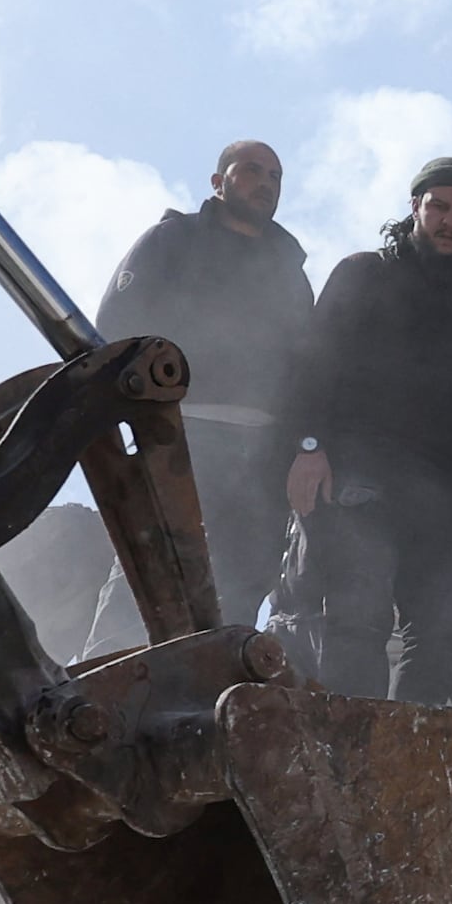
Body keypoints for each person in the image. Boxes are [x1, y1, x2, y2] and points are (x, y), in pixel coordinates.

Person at [286, 155, 452, 708]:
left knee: (439, 637)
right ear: (416, 206)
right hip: (356, 472)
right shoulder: (363, 274)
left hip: (437, 494)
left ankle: (403, 775)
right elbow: (312, 368)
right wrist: (310, 448)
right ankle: (345, 759)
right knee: (356, 619)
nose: (449, 221)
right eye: (439, 206)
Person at [87, 140, 315, 638]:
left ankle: (200, 704)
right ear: (219, 182)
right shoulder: (171, 240)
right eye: (252, 171)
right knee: (147, 567)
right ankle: (101, 685)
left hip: (263, 456)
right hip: (180, 433)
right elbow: (115, 327)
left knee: (239, 587)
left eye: (275, 176)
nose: (266, 184)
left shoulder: (290, 271)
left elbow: (307, 372)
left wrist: (304, 447)